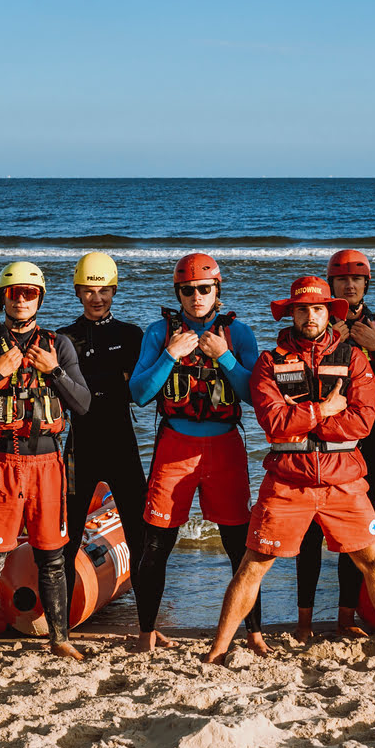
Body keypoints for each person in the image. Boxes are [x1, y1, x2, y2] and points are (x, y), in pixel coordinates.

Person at [203, 277, 375, 663]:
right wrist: (323, 410)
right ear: (291, 313)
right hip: (286, 482)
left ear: (329, 312)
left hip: (344, 482)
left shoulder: (354, 359)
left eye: (318, 308)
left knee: (373, 562)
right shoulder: (270, 362)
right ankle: (218, 652)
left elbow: (362, 422)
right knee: (253, 565)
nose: (310, 316)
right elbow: (272, 423)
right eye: (302, 309)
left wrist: (302, 418)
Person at [0, 261, 92, 661]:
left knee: (52, 557)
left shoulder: (58, 345)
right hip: (1, 466)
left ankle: (60, 639)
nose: (21, 300)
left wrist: (56, 371)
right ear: (3, 298)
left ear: (40, 299)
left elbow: (82, 405)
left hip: (48, 465)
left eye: (29, 293)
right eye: (14, 293)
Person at [130, 253, 262, 654]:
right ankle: (146, 633)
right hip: (175, 446)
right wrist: (171, 354)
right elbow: (138, 394)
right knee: (157, 544)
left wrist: (224, 355)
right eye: (187, 290)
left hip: (225, 446)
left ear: (217, 291)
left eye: (204, 289)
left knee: (239, 544)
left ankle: (253, 632)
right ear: (178, 293)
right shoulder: (159, 333)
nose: (196, 296)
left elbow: (255, 395)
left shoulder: (238, 334)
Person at [293, 249, 375, 641]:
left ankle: (345, 617)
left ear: (366, 283)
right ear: (331, 286)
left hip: (365, 437)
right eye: (341, 280)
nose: (349, 285)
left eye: (356, 279)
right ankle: (303, 622)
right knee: (310, 532)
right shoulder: (315, 324)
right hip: (316, 434)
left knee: (355, 533)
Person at [58, 251, 146, 591]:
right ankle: (60, 626)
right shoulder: (63, 338)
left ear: (114, 291)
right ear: (78, 291)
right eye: (90, 291)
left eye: (104, 290)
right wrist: (114, 379)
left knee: (139, 535)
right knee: (68, 536)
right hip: (80, 447)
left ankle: (146, 624)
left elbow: (138, 391)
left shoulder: (131, 335)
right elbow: (66, 394)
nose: (97, 298)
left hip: (121, 442)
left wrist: (91, 384)